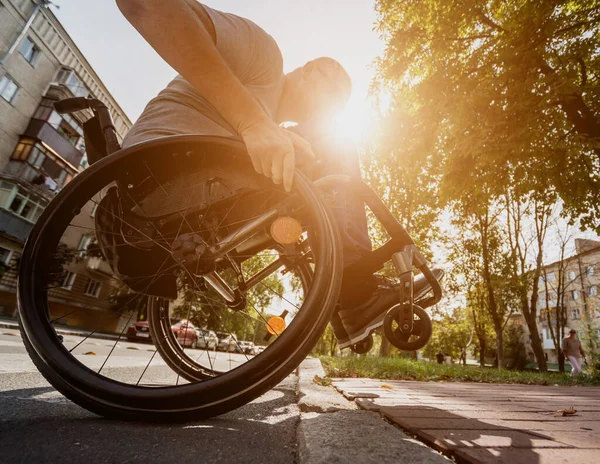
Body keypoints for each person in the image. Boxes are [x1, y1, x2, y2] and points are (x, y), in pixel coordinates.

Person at [115, 0, 408, 350]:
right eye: (330, 97)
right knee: (334, 147)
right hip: (163, 175)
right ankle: (356, 290)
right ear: (310, 69)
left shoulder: (272, 124)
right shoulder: (265, 57)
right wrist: (252, 123)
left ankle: (349, 298)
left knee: (312, 161)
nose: (327, 112)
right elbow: (145, 5)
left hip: (186, 192)